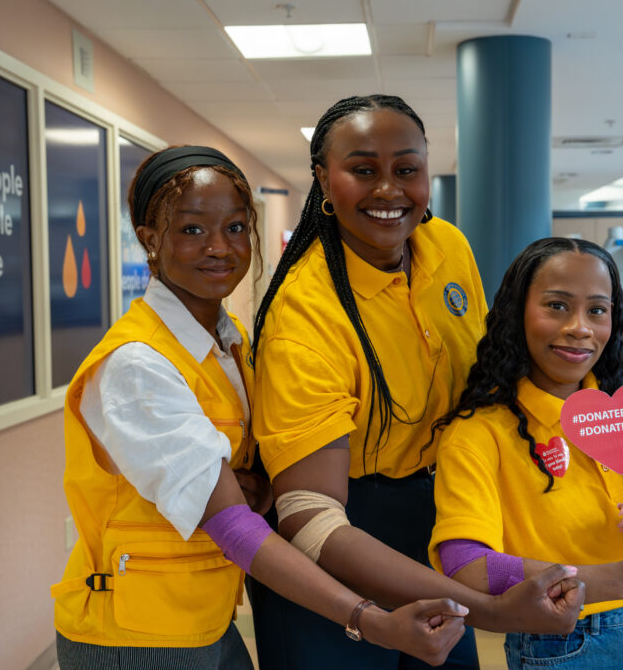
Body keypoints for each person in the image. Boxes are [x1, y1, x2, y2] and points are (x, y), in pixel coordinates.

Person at [51, 145, 472, 669]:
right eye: (191, 230)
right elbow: (232, 524)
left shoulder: (229, 346)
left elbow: (242, 479)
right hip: (134, 639)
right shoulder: (137, 365)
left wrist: (252, 481)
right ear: (150, 241)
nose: (219, 248)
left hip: (203, 619)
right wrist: (368, 618)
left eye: (234, 228)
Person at [248, 96, 585, 670]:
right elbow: (310, 514)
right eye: (362, 170)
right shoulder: (304, 318)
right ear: (323, 181)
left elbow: (490, 377)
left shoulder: (447, 248)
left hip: (441, 512)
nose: (388, 190)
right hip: (343, 538)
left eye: (406, 169)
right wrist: (489, 610)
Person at [429, 237, 623, 669]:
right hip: (564, 645)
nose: (580, 327)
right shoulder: (479, 433)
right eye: (556, 305)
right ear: (516, 314)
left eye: (597, 310)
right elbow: (467, 565)